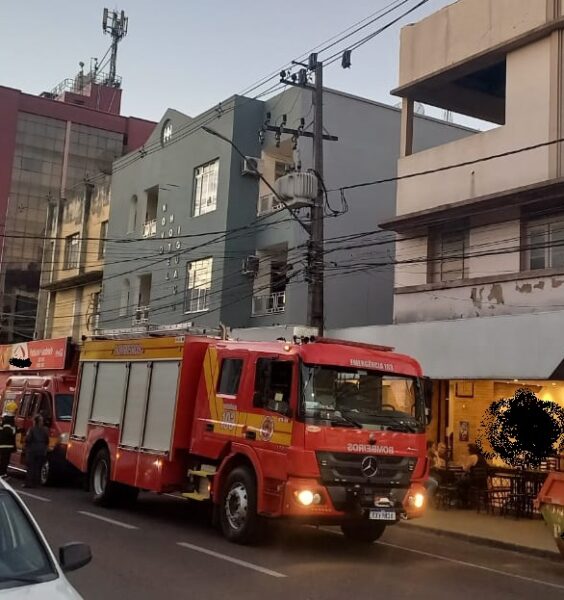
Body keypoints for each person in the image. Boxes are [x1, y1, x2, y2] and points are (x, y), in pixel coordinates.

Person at [457, 443, 489, 508]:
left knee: (458, 483)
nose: (467, 451)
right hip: (483, 481)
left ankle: (465, 503)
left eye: (467, 449)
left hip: (474, 481)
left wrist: (462, 462)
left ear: (470, 450)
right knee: (463, 482)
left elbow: (465, 469)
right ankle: (471, 501)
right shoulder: (481, 457)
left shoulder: (472, 457)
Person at [24, 415, 49, 488]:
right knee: (38, 467)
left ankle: (29, 483)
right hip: (41, 450)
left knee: (30, 467)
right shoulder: (45, 430)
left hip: (32, 450)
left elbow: (28, 439)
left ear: (35, 421)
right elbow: (47, 440)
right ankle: (36, 483)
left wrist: (26, 445)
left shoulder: (31, 429)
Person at [0, 412, 16, 478]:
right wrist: (16, 429)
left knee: (3, 460)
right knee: (5, 461)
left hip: (2, 445)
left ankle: (2, 473)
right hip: (7, 445)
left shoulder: (3, 423)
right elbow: (12, 433)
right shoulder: (8, 424)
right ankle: (2, 473)